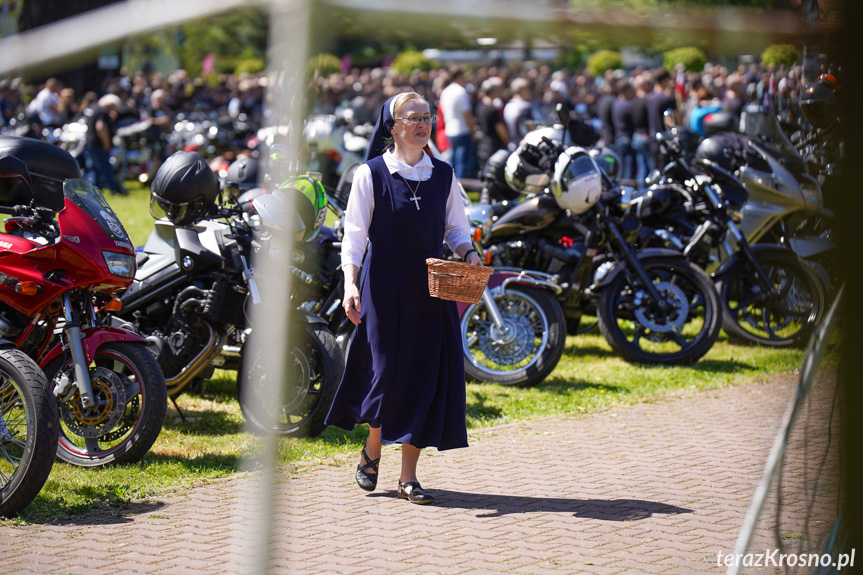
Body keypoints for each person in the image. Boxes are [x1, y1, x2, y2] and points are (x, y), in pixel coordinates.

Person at [324, 92, 483, 505]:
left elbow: (457, 230)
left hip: (431, 284)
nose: (421, 124)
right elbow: (354, 236)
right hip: (383, 281)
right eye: (412, 118)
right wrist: (350, 283)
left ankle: (408, 477)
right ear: (392, 127)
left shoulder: (444, 174)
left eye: (426, 117)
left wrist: (469, 255)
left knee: (422, 375)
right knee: (385, 373)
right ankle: (372, 448)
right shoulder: (371, 173)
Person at [84, 94, 127, 196]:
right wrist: (106, 143)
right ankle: (115, 189)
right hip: (98, 144)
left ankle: (94, 191)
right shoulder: (102, 111)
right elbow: (101, 127)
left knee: (96, 169)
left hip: (90, 142)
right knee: (106, 167)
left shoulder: (93, 108)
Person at [438, 68, 477, 179]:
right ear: (459, 77)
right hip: (462, 131)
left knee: (454, 161)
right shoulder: (461, 91)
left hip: (450, 131)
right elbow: (467, 114)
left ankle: (452, 187)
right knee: (463, 164)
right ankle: (460, 191)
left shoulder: (445, 91)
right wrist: (473, 131)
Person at [474, 77, 510, 174]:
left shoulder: (480, 105)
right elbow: (501, 131)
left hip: (483, 146)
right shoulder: (492, 109)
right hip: (493, 148)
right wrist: (508, 141)